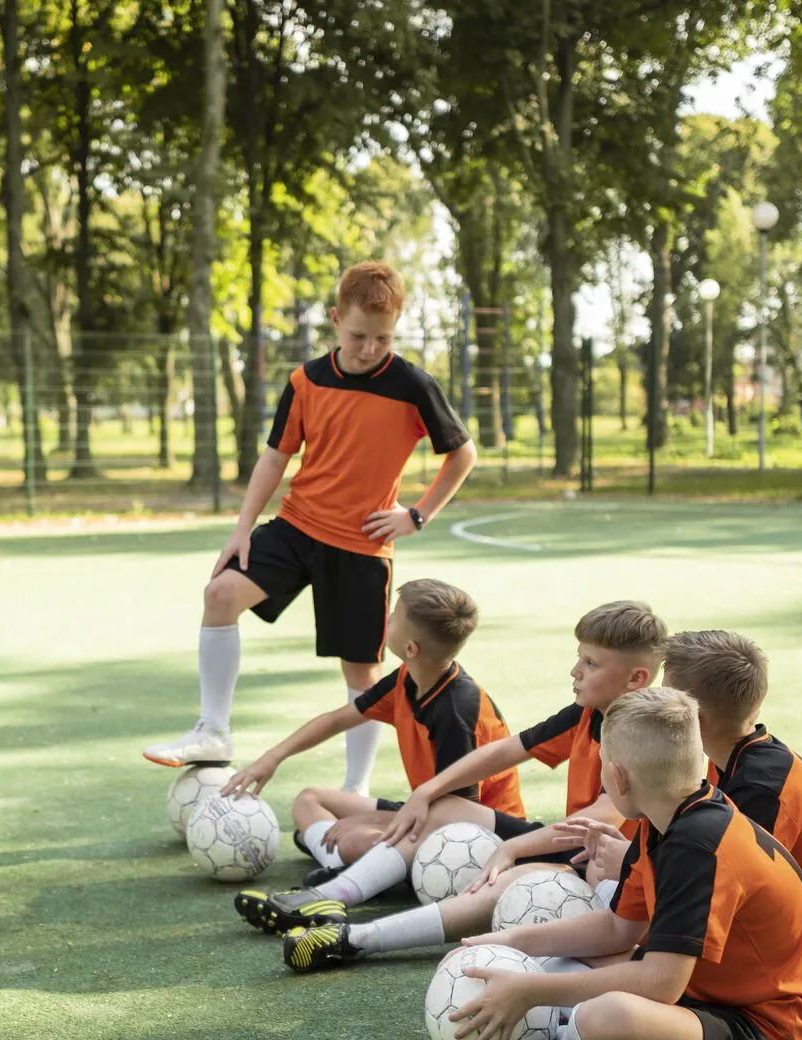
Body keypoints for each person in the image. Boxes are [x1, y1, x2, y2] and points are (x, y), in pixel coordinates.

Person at [141, 261, 478, 799]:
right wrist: (242, 530)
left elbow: (463, 454)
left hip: (361, 548)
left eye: (383, 337)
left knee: (361, 676)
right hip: (297, 527)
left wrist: (417, 515)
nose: (370, 348)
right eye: (358, 336)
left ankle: (356, 788)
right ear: (335, 319)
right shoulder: (306, 380)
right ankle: (213, 732)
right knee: (220, 594)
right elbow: (276, 458)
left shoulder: (414, 385)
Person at [449, 688, 802, 1040]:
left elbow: (660, 984)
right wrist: (513, 941)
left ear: (618, 778)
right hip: (713, 1001)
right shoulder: (667, 819)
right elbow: (617, 929)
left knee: (604, 1018)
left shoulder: (697, 846)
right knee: (575, 965)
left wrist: (530, 991)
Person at [279, 602, 666, 972]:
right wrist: (426, 791)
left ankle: (354, 939)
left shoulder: (641, 734)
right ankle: (331, 896)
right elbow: (503, 751)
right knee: (444, 807)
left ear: (636, 679)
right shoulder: (587, 714)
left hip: (611, 868)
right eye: (579, 657)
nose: (574, 671)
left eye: (591, 663)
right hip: (579, 850)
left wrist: (514, 847)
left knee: (511, 884)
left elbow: (601, 817)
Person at [220, 579, 526, 935]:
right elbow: (337, 719)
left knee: (352, 840)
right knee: (310, 799)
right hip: (425, 811)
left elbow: (454, 815)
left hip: (475, 835)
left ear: (411, 647)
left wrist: (374, 821)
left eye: (394, 617)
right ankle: (362, 867)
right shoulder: (407, 680)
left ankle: (348, 876)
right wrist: (272, 757)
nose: (387, 620)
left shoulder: (457, 711)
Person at [566, 630, 802, 976]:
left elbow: (729, 892)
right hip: (751, 936)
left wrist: (638, 870)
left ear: (695, 719)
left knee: (591, 955)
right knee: (603, 899)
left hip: (791, 959)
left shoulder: (763, 790)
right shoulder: (724, 761)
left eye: (666, 697)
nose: (655, 702)